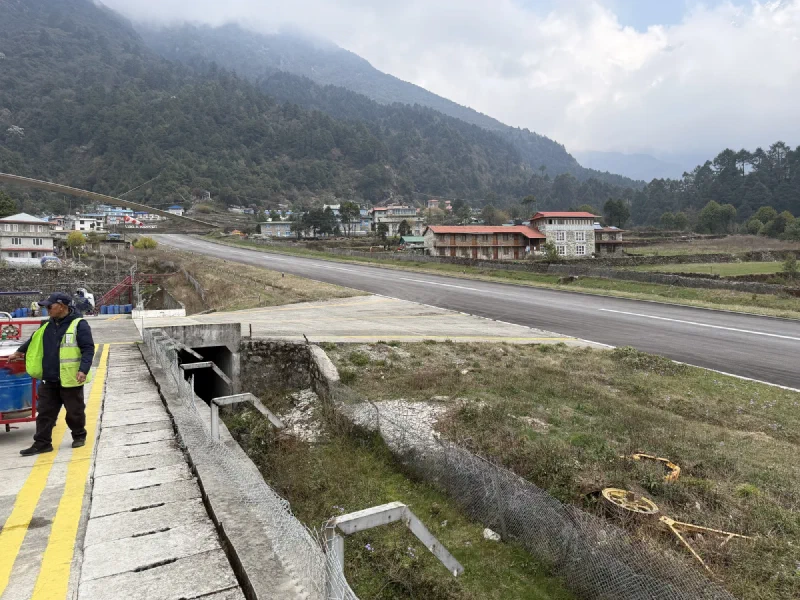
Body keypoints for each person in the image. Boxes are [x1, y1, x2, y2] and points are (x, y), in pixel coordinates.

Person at [7, 292, 95, 456]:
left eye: (49, 306)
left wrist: (83, 369)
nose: (47, 310)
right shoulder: (47, 325)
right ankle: (42, 443)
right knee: (45, 413)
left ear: (61, 306)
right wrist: (19, 352)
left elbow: (88, 349)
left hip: (70, 378)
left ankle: (79, 435)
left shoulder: (79, 325)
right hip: (49, 378)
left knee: (74, 412)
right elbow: (33, 339)